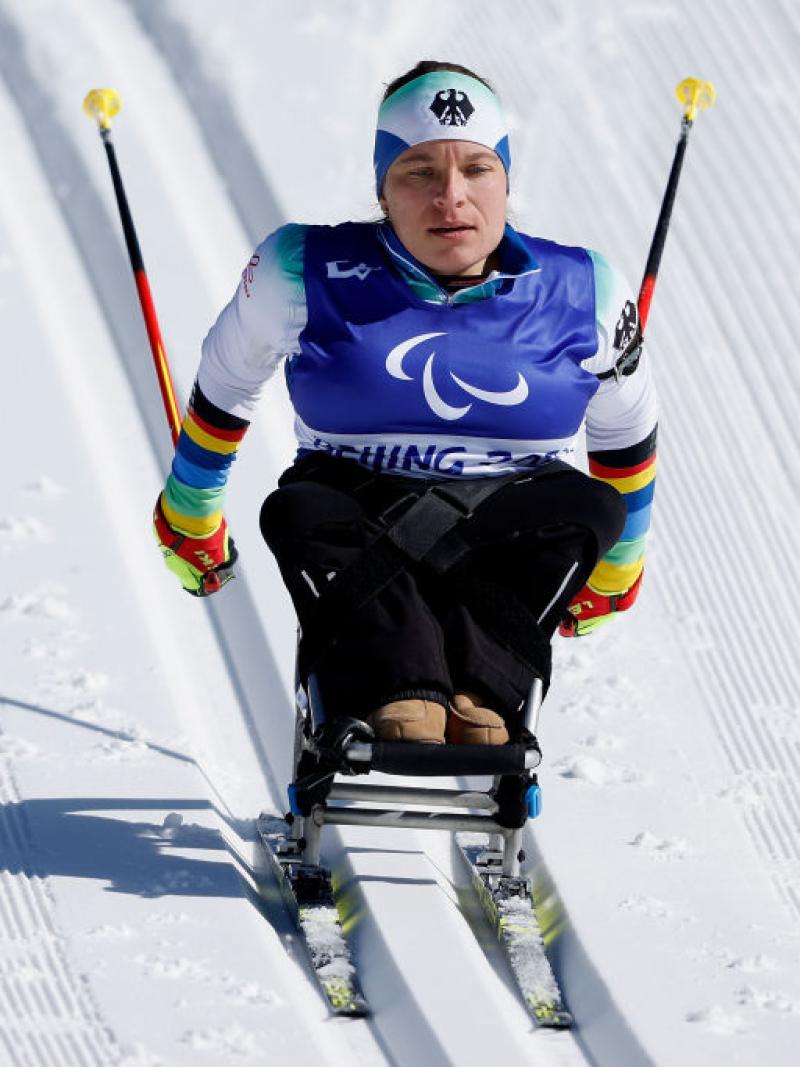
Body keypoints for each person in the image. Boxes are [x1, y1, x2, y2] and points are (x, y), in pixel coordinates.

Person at [154, 61, 657, 749]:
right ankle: (404, 684)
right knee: (298, 510)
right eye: (419, 170)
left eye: (477, 168)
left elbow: (626, 428)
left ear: (507, 180)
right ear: (383, 189)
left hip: (505, 521)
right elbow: (226, 385)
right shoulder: (303, 268)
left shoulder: (585, 288)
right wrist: (190, 507)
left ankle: (485, 684)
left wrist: (620, 558)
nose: (451, 196)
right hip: (359, 504)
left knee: (591, 507)